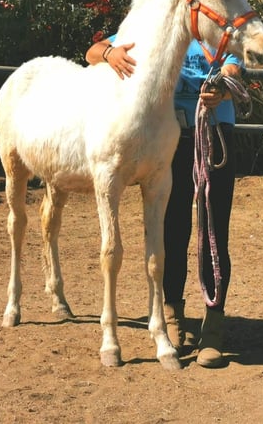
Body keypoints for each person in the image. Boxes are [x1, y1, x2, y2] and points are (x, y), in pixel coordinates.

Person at [86, 34, 242, 368]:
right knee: (173, 227)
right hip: (170, 138)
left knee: (213, 230)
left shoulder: (219, 28)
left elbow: (234, 66)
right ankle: (173, 311)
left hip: (214, 131)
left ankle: (213, 326)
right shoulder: (159, 23)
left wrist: (223, 87)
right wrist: (112, 53)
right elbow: (93, 51)